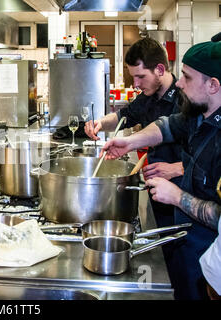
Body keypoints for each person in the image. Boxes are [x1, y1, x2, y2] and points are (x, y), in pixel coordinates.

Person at [100, 37, 221, 300]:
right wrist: (128, 142)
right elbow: (167, 126)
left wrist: (176, 196)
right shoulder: (198, 114)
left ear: (213, 85)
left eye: (187, 78)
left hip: (209, 255)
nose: (178, 82)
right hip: (185, 238)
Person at [84, 38, 183, 230]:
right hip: (156, 189)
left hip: (180, 194)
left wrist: (176, 168)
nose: (136, 84)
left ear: (160, 70)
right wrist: (100, 123)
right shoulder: (148, 96)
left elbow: (206, 157)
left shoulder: (185, 100)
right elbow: (124, 116)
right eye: (133, 77)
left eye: (140, 76)